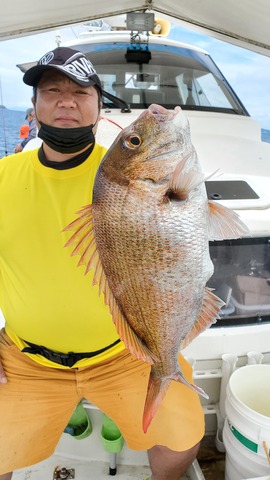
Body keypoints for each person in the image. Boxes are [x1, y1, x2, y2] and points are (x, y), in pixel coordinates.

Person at [0, 47, 204, 480]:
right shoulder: (2, 177)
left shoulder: (120, 170)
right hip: (25, 359)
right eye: (51, 90)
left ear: (98, 106)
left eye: (80, 91)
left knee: (182, 437)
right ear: (33, 108)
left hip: (126, 353)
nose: (66, 100)